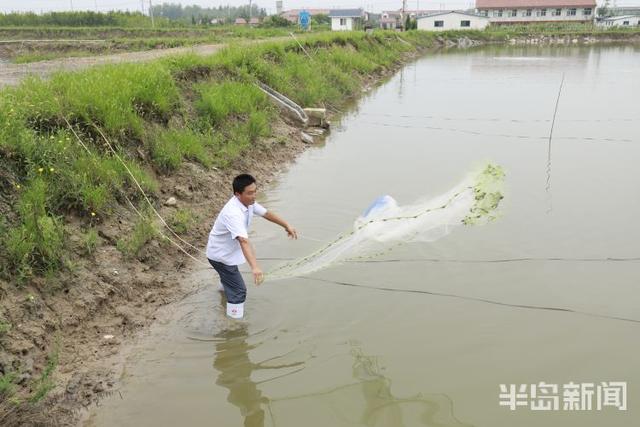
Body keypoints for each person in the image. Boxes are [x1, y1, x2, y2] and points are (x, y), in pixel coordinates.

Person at [206, 174, 298, 319]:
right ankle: (233, 325)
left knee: (229, 281)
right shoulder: (233, 213)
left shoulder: (248, 202)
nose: (254, 195)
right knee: (239, 290)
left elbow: (266, 213)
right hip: (221, 256)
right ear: (237, 194)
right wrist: (255, 267)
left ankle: (223, 297)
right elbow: (244, 241)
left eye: (255, 191)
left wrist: (286, 225)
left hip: (226, 253)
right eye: (250, 193)